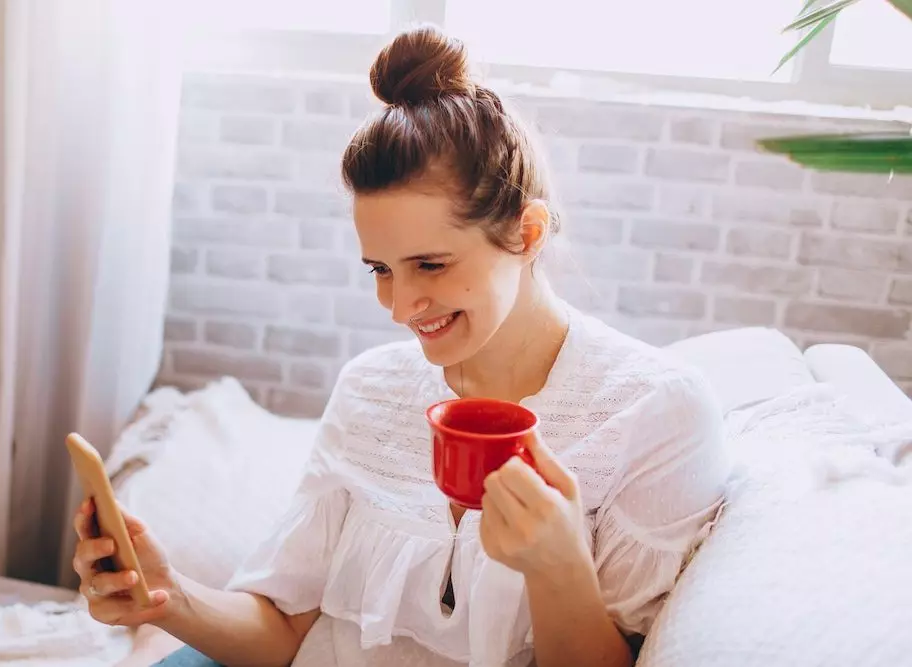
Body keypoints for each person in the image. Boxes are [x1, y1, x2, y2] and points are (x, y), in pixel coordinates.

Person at [71, 23, 730, 667]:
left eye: (431, 265)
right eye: (380, 269)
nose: (399, 306)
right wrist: (169, 595)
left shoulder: (653, 413)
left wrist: (558, 568)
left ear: (527, 234)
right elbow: (285, 631)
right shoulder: (371, 387)